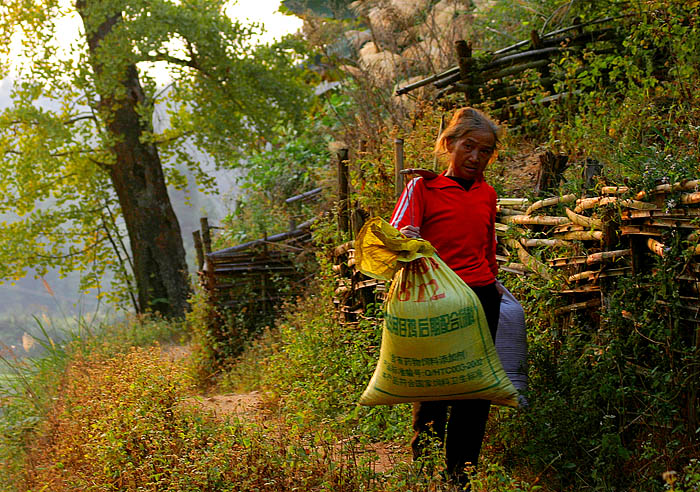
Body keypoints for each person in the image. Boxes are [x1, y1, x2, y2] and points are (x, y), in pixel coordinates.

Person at [389, 107, 503, 488]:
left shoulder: (488, 194)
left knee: (475, 389)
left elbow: (488, 248)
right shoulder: (422, 188)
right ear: (448, 144)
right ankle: (425, 473)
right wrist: (409, 237)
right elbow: (397, 235)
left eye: (485, 151)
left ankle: (460, 477)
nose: (475, 157)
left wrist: (494, 284)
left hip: (481, 297)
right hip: (435, 299)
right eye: (468, 147)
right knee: (434, 386)